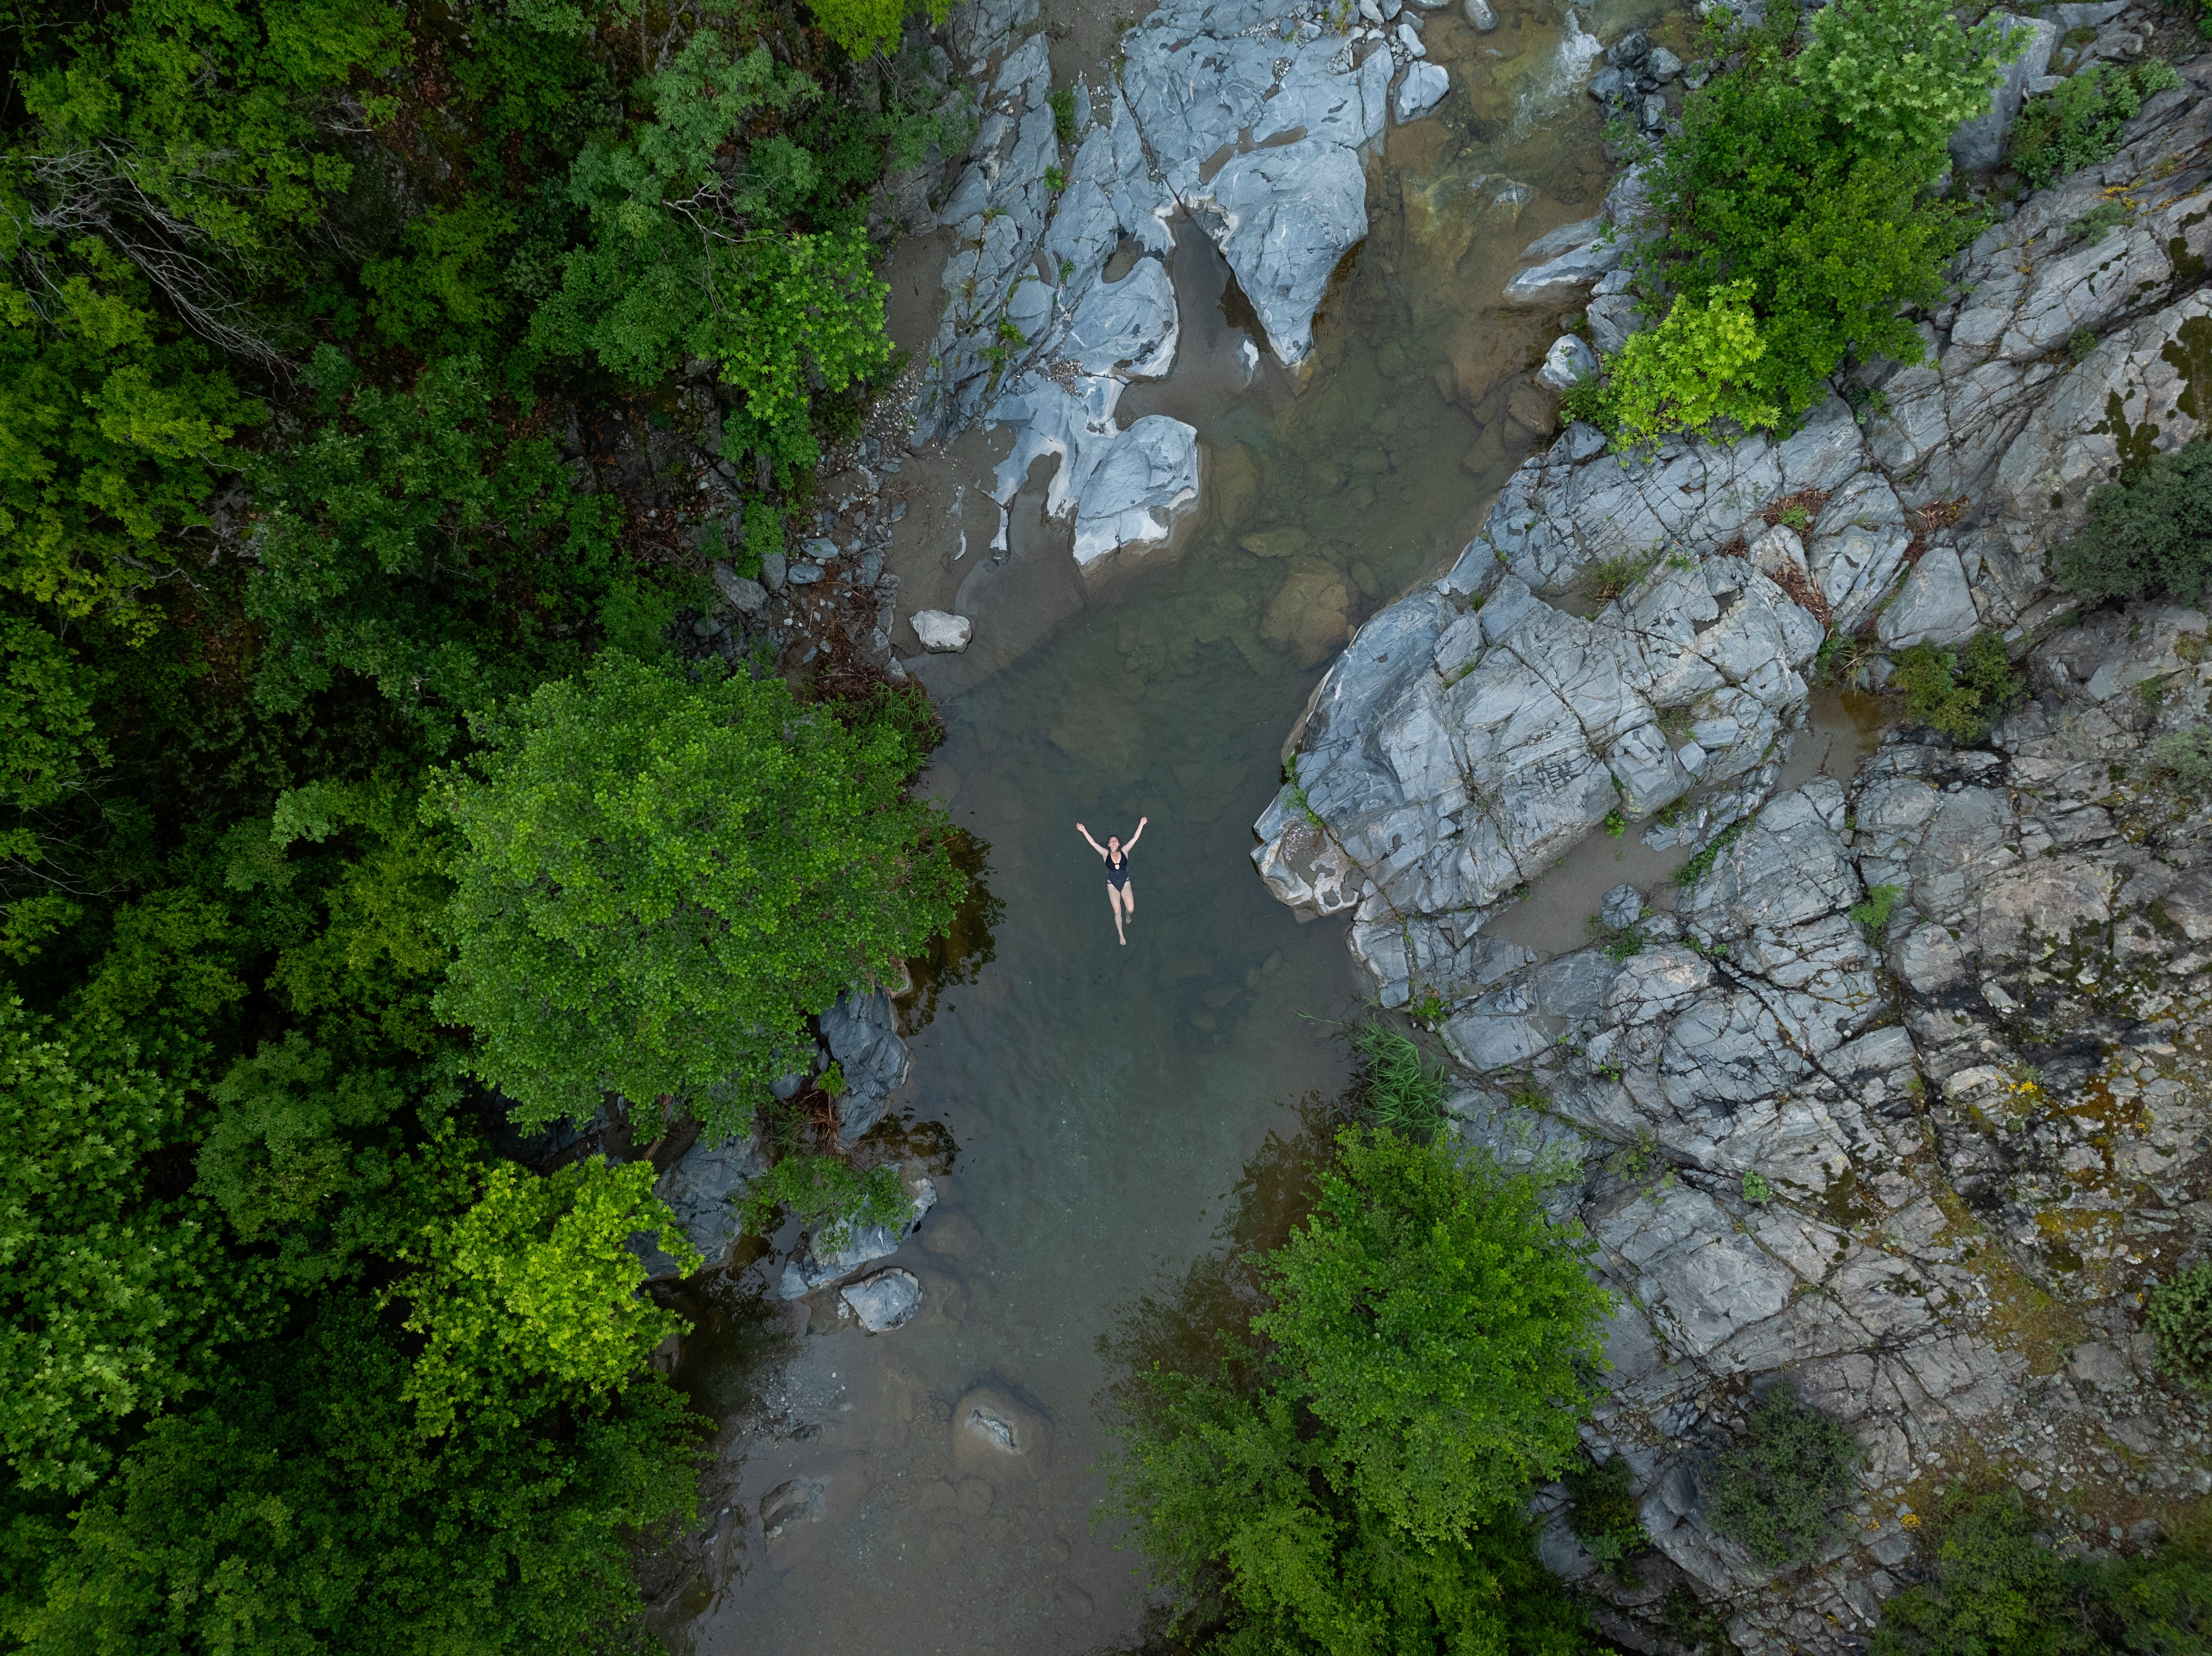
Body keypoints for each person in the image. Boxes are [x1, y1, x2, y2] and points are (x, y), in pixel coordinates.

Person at [1076, 815, 1147, 945]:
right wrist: (1084, 830)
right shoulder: (1105, 854)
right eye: (1111, 841)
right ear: (1109, 845)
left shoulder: (1125, 851)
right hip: (1112, 885)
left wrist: (1141, 824)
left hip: (1125, 883)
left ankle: (1128, 916)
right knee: (1117, 911)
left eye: (1116, 841)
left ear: (1119, 844)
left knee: (1130, 909)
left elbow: (1135, 838)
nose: (1114, 842)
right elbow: (1093, 843)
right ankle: (1121, 934)